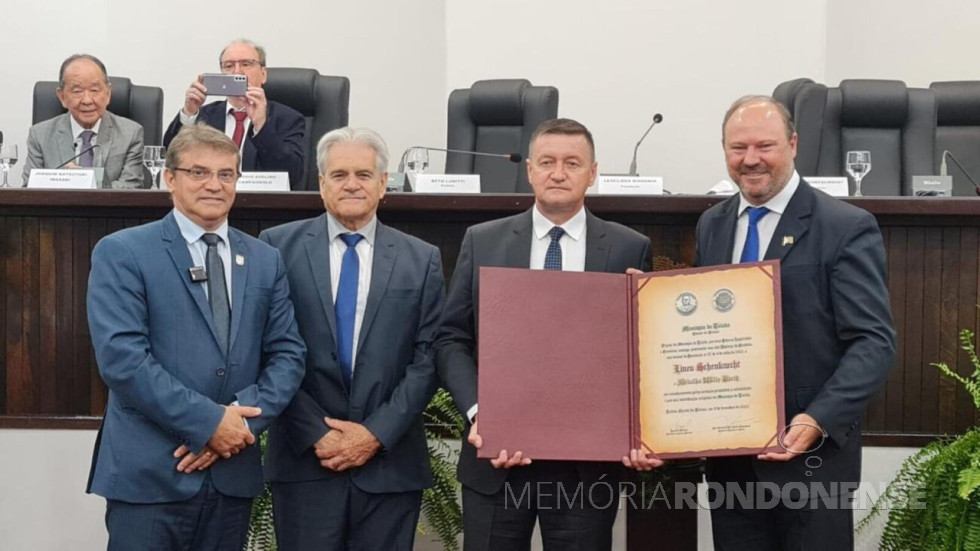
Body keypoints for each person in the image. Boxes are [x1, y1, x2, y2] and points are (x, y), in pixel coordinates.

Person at [86, 124, 307, 550]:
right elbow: (123, 360)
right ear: (170, 178)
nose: (214, 185)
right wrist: (208, 424)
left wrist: (238, 425)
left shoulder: (264, 259)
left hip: (231, 474)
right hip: (151, 474)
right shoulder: (123, 252)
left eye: (226, 174)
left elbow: (288, 354)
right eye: (199, 172)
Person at [435, 118, 652, 551]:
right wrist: (481, 413)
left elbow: (639, 353)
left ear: (593, 173)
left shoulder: (629, 247)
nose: (558, 173)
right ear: (530, 169)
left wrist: (638, 427)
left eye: (573, 163)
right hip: (498, 459)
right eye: (548, 162)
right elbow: (451, 338)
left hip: (585, 468)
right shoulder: (483, 241)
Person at [695, 95, 896, 550]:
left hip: (812, 457)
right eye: (737, 148)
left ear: (793, 144)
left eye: (764, 146)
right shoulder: (712, 224)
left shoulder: (845, 225)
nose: (750, 160)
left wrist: (816, 420)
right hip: (733, 459)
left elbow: (873, 341)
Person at [260, 127, 445, 550]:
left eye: (364, 174)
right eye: (339, 174)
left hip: (390, 463)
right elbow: (267, 349)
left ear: (384, 184)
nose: (351, 184)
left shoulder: (422, 258)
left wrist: (374, 434)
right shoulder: (276, 249)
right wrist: (315, 432)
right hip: (305, 460)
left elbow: (428, 357)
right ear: (321, 184)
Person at [162, 39, 305, 189]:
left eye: (246, 64)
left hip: (259, 206)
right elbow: (169, 160)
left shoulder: (287, 118)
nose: (237, 72)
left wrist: (261, 125)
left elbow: (292, 175)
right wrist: (189, 112)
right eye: (229, 66)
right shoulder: (203, 115)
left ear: (263, 74)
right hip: (209, 198)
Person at [24, 54, 144, 188]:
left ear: (108, 93)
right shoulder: (39, 135)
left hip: (109, 209)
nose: (87, 100)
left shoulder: (131, 134)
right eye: (77, 91)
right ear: (62, 96)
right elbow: (30, 189)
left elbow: (131, 188)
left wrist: (84, 181)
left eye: (94, 90)